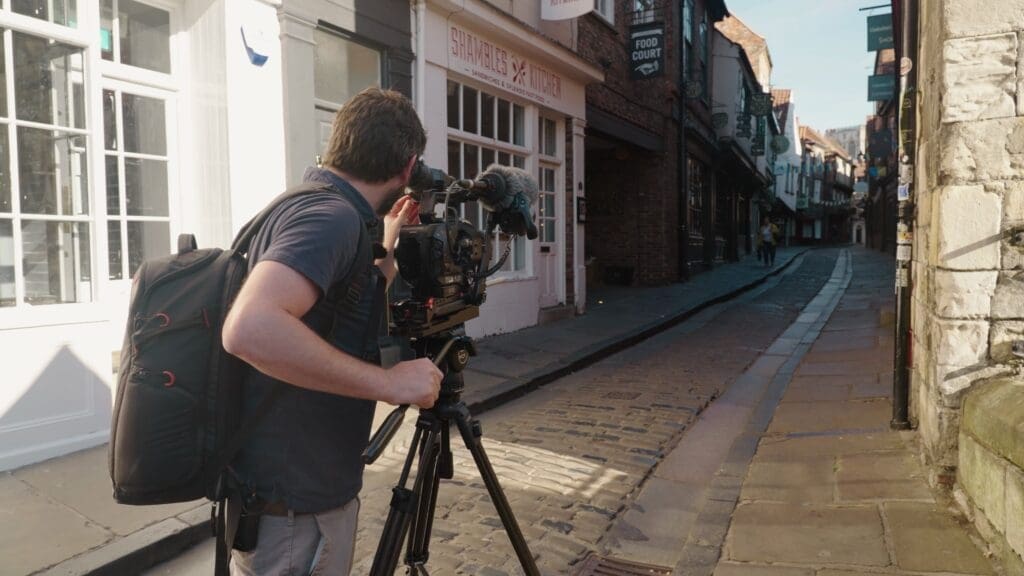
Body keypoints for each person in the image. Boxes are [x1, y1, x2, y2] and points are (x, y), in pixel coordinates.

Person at [221, 88, 443, 575]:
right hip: (296, 514)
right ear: (407, 167)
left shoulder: (318, 207)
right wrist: (388, 383)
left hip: (288, 502)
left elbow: (346, 298)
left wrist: (388, 237)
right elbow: (250, 328)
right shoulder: (331, 219)